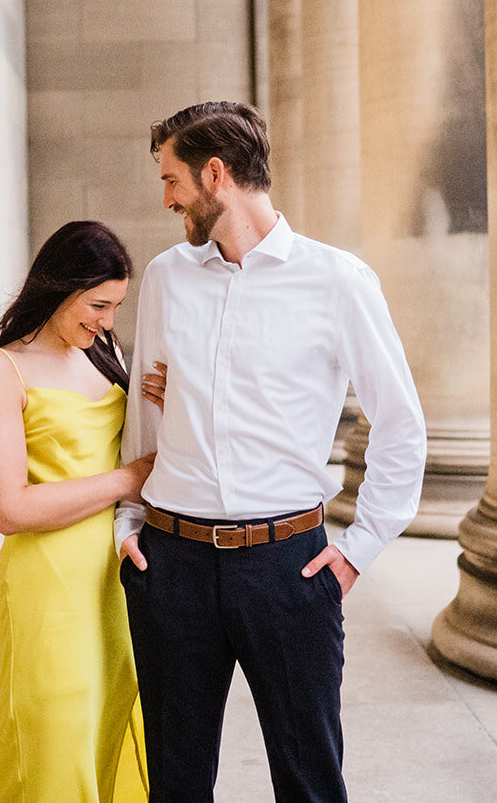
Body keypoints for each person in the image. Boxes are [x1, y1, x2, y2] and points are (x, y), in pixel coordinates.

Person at [116, 102, 428, 803]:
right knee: (174, 782)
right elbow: (148, 407)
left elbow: (401, 424)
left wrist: (357, 549)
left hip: (286, 567)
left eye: (172, 180)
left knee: (310, 782)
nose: (165, 198)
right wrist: (127, 524)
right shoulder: (168, 277)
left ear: (216, 175)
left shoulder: (338, 280)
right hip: (173, 563)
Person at [0, 220, 159, 803]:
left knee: (113, 727)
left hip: (117, 577)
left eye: (117, 307)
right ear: (58, 287)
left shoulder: (103, 352)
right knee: (55, 740)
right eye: (98, 304)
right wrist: (128, 478)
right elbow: (7, 508)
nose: (107, 321)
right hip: (47, 583)